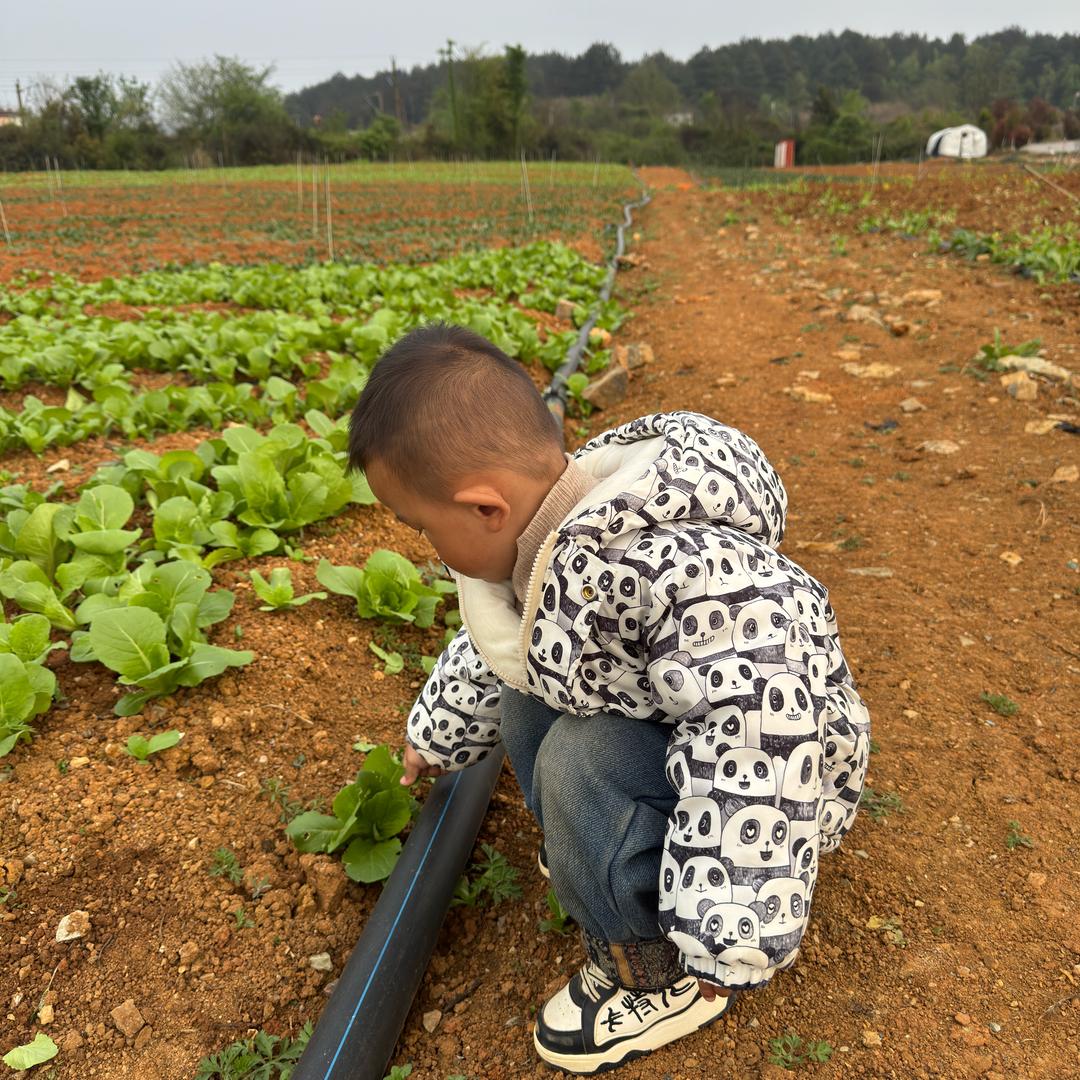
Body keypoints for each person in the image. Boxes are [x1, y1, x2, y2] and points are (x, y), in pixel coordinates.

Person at [348, 323, 871, 1075]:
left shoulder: (681, 575)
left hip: (761, 803)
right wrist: (434, 735)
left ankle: (656, 971)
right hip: (673, 742)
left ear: (484, 508)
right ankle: (603, 856)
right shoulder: (543, 538)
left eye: (424, 530)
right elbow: (501, 648)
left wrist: (731, 919)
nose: (428, 550)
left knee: (580, 761)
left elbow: (763, 737)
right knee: (526, 702)